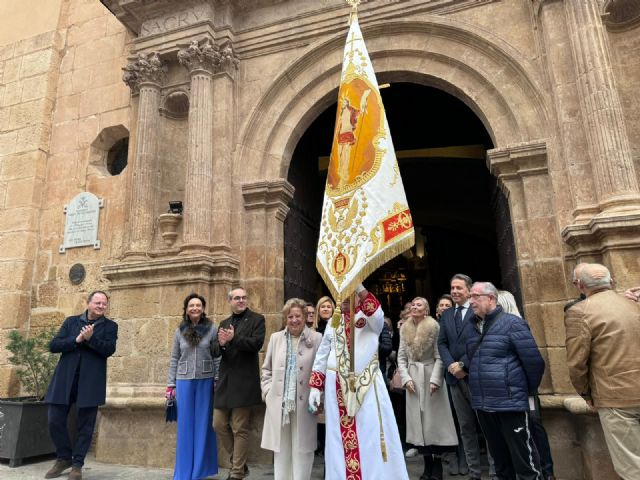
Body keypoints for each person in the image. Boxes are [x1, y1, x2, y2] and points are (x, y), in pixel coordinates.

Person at [308, 285, 409, 479]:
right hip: (335, 386)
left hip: (367, 385)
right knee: (338, 437)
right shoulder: (333, 321)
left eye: (349, 294)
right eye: (341, 295)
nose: (344, 299)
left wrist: (358, 285)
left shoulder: (370, 319)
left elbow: (378, 316)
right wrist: (315, 385)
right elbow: (323, 353)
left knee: (369, 434)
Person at [564, 263, 640, 480]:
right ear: (611, 281)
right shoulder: (633, 303)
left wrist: (586, 394)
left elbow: (576, 363)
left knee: (632, 467)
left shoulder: (579, 312)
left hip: (614, 397)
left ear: (580, 286)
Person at [466, 282, 545, 480]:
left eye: (476, 296)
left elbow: (534, 363)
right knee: (501, 464)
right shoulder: (473, 326)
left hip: (510, 405)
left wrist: (521, 391)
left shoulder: (512, 323)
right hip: (484, 405)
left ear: (491, 298)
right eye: (470, 297)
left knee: (525, 462)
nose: (471, 301)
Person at [44, 291, 118, 480]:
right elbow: (54, 345)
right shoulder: (71, 322)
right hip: (65, 379)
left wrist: (91, 338)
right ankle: (63, 457)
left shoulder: (110, 326)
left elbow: (109, 350)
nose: (101, 306)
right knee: (54, 420)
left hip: (90, 382)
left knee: (86, 425)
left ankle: (77, 464)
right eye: (97, 303)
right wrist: (76, 340)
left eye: (104, 304)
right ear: (88, 303)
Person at [437, 274, 494, 480]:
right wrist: (452, 365)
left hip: (475, 376)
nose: (454, 292)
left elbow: (482, 340)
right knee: (465, 427)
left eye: (459, 288)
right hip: (454, 378)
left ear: (469, 290)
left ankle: (495, 470)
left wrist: (463, 365)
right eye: (452, 288)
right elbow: (441, 343)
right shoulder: (447, 315)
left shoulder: (478, 310)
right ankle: (474, 472)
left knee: (486, 425)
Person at [261, 298, 323, 479]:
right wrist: (268, 392)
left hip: (304, 404)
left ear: (305, 317)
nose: (294, 320)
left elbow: (322, 371)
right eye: (290, 316)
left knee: (303, 449)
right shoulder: (275, 338)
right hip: (279, 404)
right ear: (285, 318)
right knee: (281, 450)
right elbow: (266, 369)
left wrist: (320, 396)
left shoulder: (317, 338)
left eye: (298, 316)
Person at [497, 290, 556, 480]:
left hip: (523, 389)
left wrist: (529, 387)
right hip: (513, 391)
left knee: (533, 428)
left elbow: (533, 361)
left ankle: (546, 472)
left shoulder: (515, 325)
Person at [397, 297, 458, 480]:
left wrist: (436, 380)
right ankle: (427, 466)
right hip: (413, 378)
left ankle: (437, 465)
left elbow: (440, 356)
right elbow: (401, 357)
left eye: (419, 305)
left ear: (426, 310)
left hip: (431, 375)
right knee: (419, 424)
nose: (415, 307)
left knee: (434, 424)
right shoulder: (405, 328)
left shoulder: (434, 326)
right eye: (413, 304)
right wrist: (406, 378)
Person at [212, 288, 266, 480]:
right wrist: (222, 344)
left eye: (244, 297)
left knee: (239, 428)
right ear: (230, 301)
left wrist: (235, 339)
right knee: (218, 423)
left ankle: (236, 473)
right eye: (237, 298)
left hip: (245, 381)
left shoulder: (257, 320)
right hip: (226, 381)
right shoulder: (224, 323)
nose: (241, 300)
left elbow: (256, 344)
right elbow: (215, 351)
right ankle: (240, 465)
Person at [166, 293, 218, 480]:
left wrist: (217, 379)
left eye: (198, 305)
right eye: (191, 305)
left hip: (206, 380)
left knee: (204, 425)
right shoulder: (179, 330)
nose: (195, 308)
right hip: (183, 381)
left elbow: (216, 356)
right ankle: (183, 472)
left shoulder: (212, 329)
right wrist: (170, 384)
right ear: (186, 310)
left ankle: (199, 471)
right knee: (185, 427)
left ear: (203, 309)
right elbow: (174, 358)